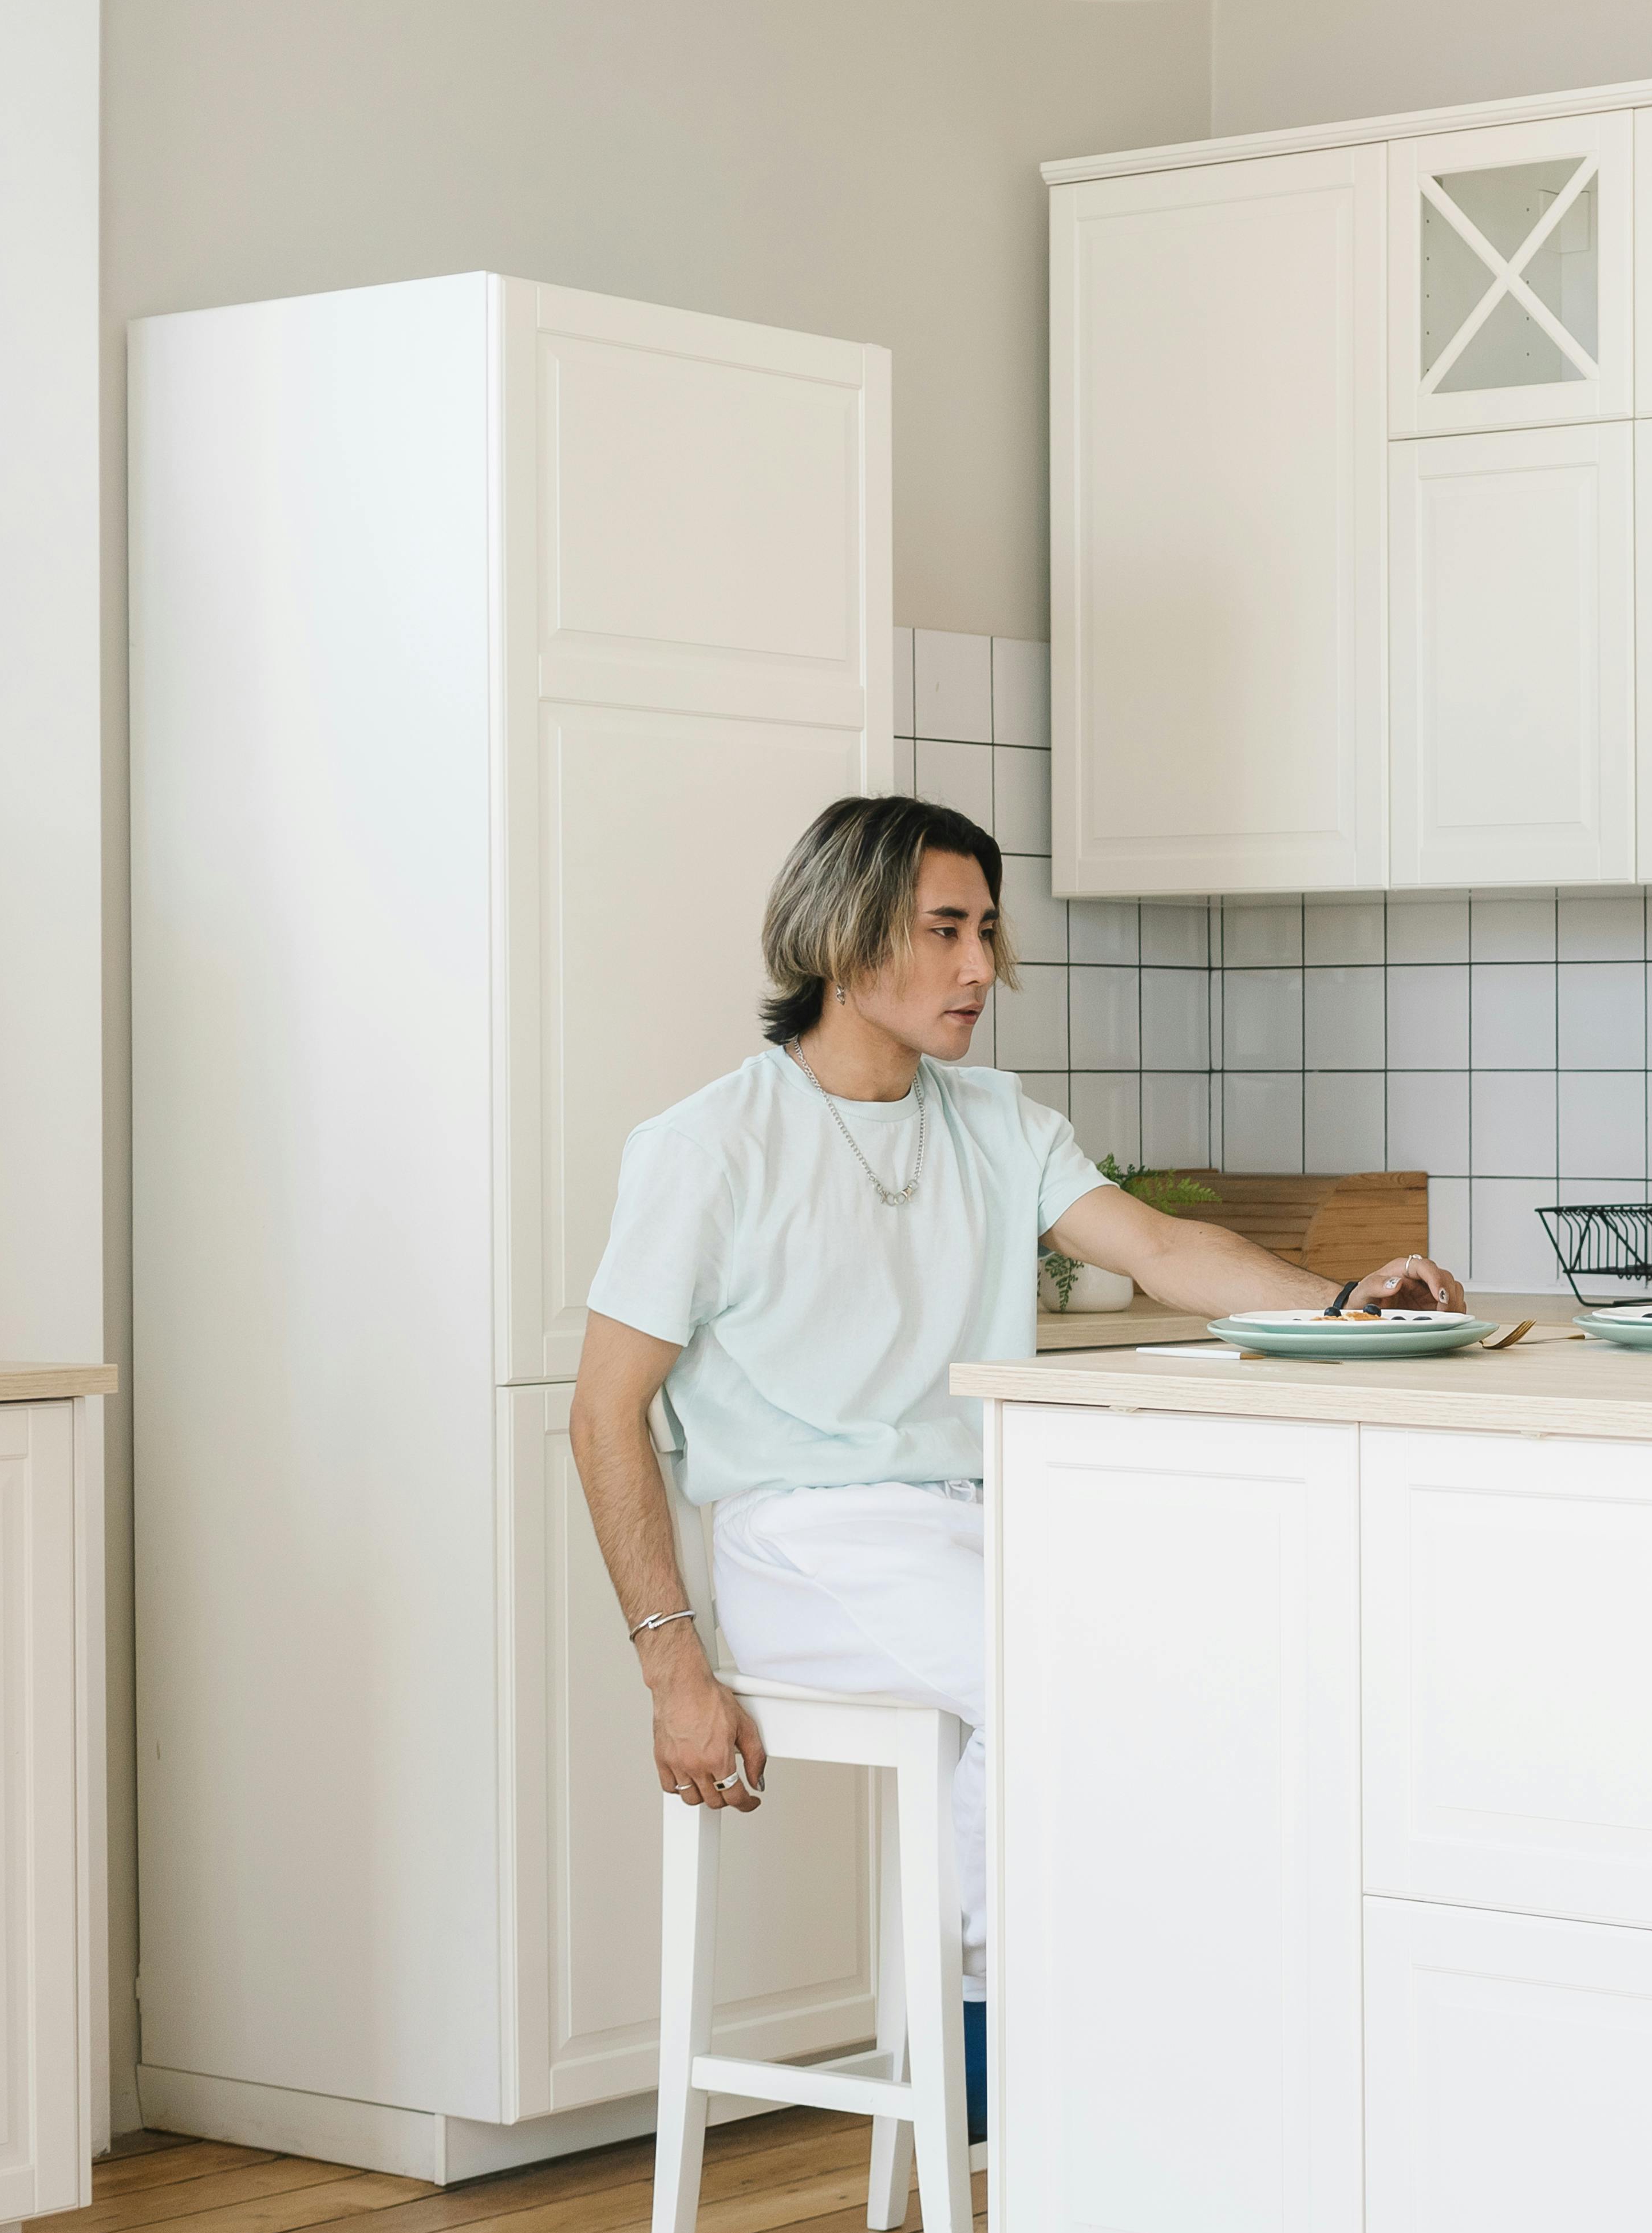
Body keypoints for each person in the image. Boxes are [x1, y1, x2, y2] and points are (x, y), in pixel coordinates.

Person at [572, 795, 1460, 2132]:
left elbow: (1161, 1249)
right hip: (802, 1542)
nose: (982, 967)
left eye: (986, 929)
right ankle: (1002, 2050)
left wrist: (1338, 1302)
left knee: (1196, 1656)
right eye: (945, 930)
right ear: (841, 936)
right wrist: (670, 1667)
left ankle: (1164, 2030)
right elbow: (603, 1414)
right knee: (1058, 1674)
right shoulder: (708, 1147)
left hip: (973, 1520)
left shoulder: (993, 1121)